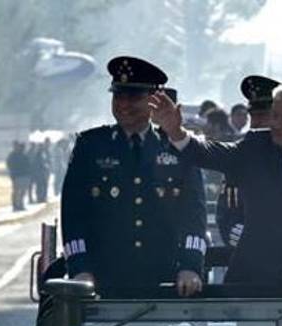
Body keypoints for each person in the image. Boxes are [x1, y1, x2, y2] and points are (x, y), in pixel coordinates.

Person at [150, 81, 282, 296]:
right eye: (275, 115)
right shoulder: (256, 146)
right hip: (254, 286)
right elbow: (212, 154)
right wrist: (176, 132)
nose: (276, 124)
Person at [60, 56, 208, 299]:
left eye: (134, 97)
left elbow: (194, 214)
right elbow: (73, 215)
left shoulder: (177, 145)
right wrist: (80, 269)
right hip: (102, 280)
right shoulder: (91, 146)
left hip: (165, 280)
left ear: (153, 100)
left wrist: (190, 266)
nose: (124, 104)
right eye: (118, 96)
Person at [215, 75, 280, 249]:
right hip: (247, 250)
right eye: (254, 116)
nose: (257, 123)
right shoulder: (240, 154)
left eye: (263, 116)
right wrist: (238, 232)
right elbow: (227, 210)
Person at [6, 141, 30, 212]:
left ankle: (20, 204)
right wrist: (13, 173)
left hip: (24, 175)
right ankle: (15, 205)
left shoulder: (24, 155)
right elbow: (9, 165)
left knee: (23, 192)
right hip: (16, 176)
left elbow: (28, 164)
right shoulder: (12, 156)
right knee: (16, 192)